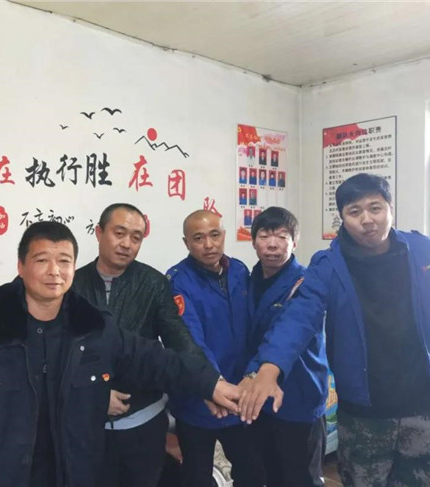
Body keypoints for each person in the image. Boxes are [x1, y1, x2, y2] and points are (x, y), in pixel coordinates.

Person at [0, 221, 240, 487]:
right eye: (42, 260)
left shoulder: (92, 327)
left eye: (64, 261)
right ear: (21, 266)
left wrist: (210, 384)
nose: (54, 271)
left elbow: (153, 359)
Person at [239, 174, 430, 486]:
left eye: (375, 208)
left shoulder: (425, 251)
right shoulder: (329, 264)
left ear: (390, 209)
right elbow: (298, 317)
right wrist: (269, 368)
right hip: (365, 413)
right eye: (355, 211)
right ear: (342, 218)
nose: (367, 219)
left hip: (425, 404)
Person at [72, 203, 214, 487]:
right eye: (119, 233)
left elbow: (180, 341)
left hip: (143, 424)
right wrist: (94, 393)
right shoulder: (72, 285)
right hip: (86, 426)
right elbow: (61, 354)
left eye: (136, 237)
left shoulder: (154, 283)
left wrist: (208, 384)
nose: (127, 244)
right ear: (99, 233)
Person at [165, 210, 257, 487]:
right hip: (197, 397)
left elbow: (253, 329)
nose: (208, 244)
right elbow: (189, 339)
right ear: (186, 243)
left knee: (252, 471)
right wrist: (214, 386)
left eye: (215, 235)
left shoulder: (239, 270)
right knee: (197, 476)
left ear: (224, 236)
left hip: (240, 395)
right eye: (198, 238)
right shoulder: (178, 280)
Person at [240, 207, 328, 487]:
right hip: (258, 398)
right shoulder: (247, 280)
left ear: (295, 242)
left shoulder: (306, 283)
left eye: (282, 236)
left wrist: (253, 373)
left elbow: (283, 333)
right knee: (268, 473)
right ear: (254, 241)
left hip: (298, 394)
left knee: (300, 477)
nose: (273, 244)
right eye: (265, 236)